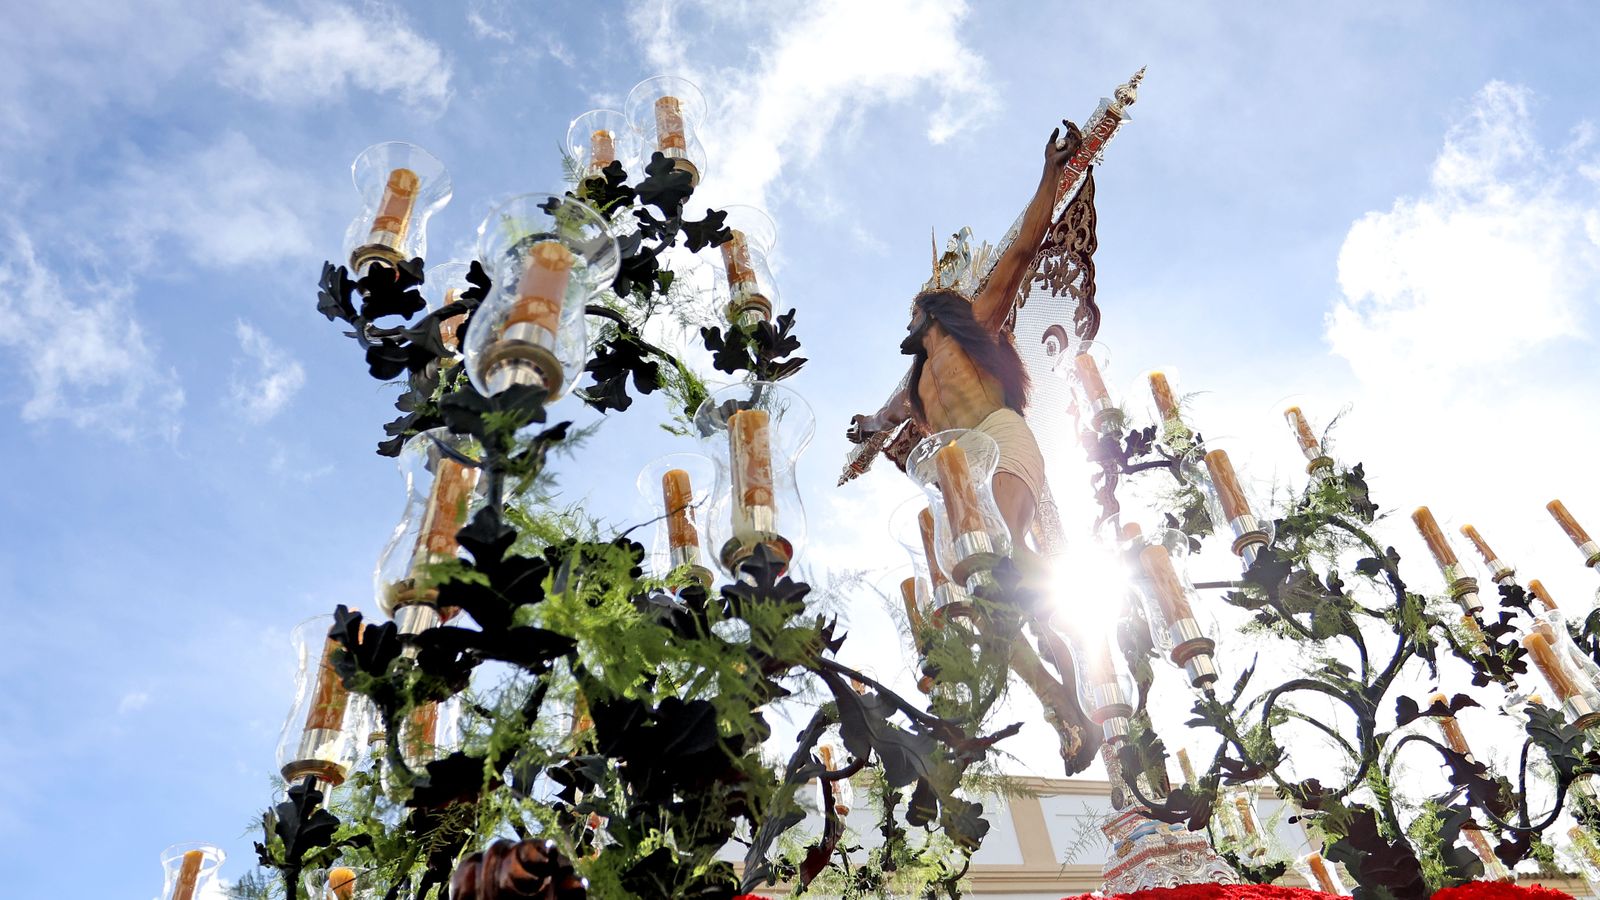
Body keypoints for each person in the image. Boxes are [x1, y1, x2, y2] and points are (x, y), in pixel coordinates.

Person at [848, 122, 1082, 547]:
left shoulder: (977, 326)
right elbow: (884, 420)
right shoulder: (913, 390)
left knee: (1003, 549)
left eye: (913, 314)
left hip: (1000, 436)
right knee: (972, 571)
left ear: (933, 313)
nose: (907, 325)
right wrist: (865, 426)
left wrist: (1051, 173)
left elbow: (1024, 249)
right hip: (955, 466)